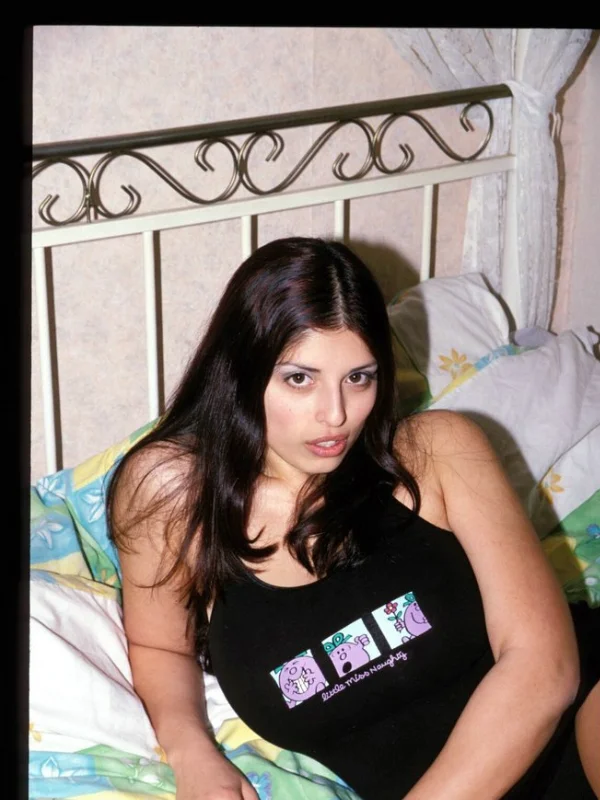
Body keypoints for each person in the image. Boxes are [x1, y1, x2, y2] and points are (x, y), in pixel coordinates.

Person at [107, 238, 599, 800]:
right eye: (300, 378)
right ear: (241, 369)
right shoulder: (171, 496)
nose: (335, 414)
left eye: (358, 377)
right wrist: (191, 750)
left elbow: (545, 668)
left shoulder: (439, 450)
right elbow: (160, 647)